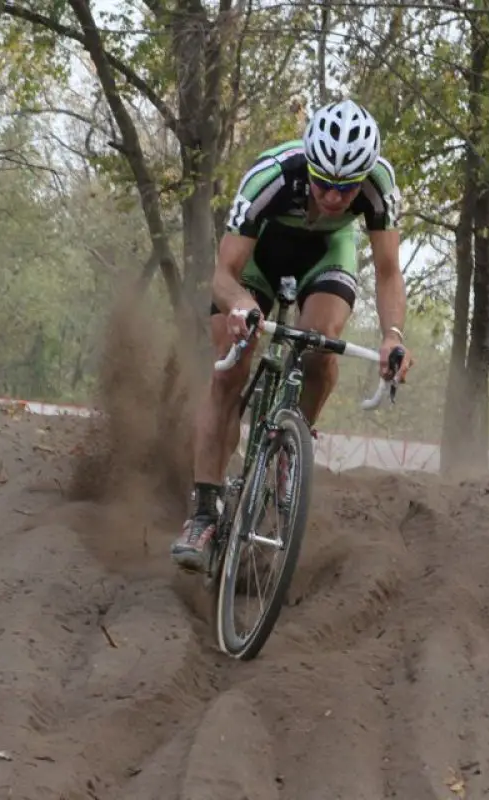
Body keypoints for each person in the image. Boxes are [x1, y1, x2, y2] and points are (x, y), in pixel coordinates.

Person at [171, 98, 413, 572]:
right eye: (324, 183)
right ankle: (202, 513)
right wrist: (240, 305)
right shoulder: (271, 177)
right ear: (310, 163)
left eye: (347, 189)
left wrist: (393, 335)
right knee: (229, 365)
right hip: (259, 259)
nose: (333, 198)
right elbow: (223, 275)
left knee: (321, 340)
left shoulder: (380, 185)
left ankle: (291, 442)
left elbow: (388, 272)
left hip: (326, 254)